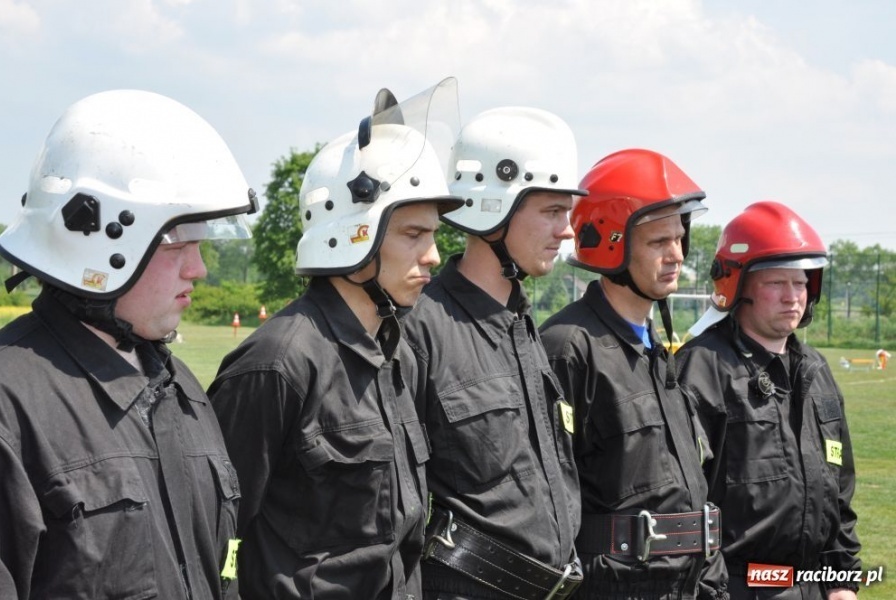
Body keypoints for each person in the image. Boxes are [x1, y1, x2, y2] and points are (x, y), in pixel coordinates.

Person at [0, 89, 259, 599]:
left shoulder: (180, 388)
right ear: (96, 238)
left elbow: (227, 557)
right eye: (178, 243)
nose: (198, 269)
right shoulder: (5, 404)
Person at [208, 79, 464, 599]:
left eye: (434, 236)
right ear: (352, 232)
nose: (433, 255)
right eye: (414, 235)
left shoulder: (399, 354)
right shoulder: (278, 363)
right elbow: (214, 534)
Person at [403, 106, 583, 600]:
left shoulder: (524, 325)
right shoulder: (420, 329)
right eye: (551, 211)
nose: (567, 230)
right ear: (493, 209)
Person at [539, 148, 727, 600]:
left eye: (679, 239)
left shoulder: (656, 351)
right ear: (612, 244)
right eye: (658, 242)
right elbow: (547, 505)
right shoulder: (568, 347)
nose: (677, 254)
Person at [676, 201, 861, 600]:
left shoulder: (817, 371)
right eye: (776, 283)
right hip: (736, 588)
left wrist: (842, 580)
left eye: (800, 282)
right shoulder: (701, 370)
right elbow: (683, 503)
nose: (792, 297)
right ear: (739, 287)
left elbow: (839, 489)